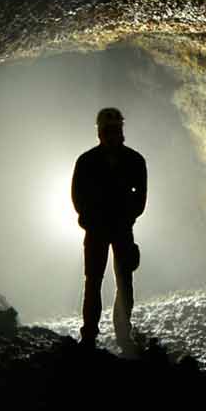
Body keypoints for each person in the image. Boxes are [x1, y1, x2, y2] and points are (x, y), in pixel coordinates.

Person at [72, 106, 147, 356]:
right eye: (108, 130)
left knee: (124, 282)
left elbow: (141, 199)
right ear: (101, 132)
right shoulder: (87, 162)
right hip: (98, 230)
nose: (112, 135)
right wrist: (89, 221)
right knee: (94, 282)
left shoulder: (134, 161)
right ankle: (90, 336)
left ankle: (122, 335)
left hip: (120, 228)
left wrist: (126, 218)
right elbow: (77, 196)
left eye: (115, 130)